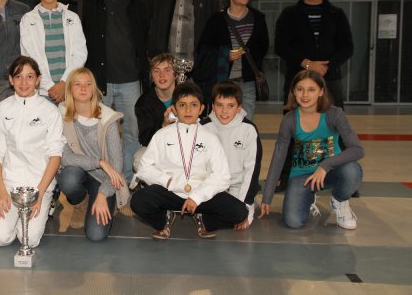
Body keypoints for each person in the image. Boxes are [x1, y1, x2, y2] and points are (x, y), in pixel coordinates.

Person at [131, 82, 248, 240]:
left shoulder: (210, 138)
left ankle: (205, 221)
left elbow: (222, 176)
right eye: (182, 105)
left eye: (193, 105)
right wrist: (167, 181)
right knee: (138, 201)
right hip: (170, 192)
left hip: (200, 194)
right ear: (174, 109)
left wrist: (198, 196)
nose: (188, 110)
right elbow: (144, 168)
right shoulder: (161, 135)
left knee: (240, 212)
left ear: (201, 109)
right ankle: (163, 221)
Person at [77, 0, 148, 187]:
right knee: (98, 135)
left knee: (132, 134)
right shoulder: (87, 1)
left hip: (131, 81)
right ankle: (103, 183)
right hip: (99, 82)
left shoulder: (136, 2)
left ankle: (125, 182)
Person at [259, 70, 364, 230]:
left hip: (331, 171)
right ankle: (308, 198)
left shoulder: (334, 114)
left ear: (321, 91)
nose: (305, 95)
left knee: (352, 170)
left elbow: (357, 150)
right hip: (302, 175)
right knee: (293, 221)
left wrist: (325, 165)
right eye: (300, 89)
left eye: (311, 89)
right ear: (293, 91)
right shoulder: (289, 120)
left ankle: (339, 201)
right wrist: (267, 197)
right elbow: (278, 157)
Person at [0, 56, 64, 248]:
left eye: (29, 77)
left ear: (38, 80)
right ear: (11, 80)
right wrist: (1, 191)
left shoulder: (50, 111)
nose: (24, 82)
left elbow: (55, 156)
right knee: (0, 239)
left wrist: (40, 194)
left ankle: (49, 200)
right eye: (18, 77)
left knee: (30, 239)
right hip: (10, 184)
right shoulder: (0, 110)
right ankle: (8, 206)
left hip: (39, 184)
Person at [57, 67, 128, 241]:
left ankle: (106, 201)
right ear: (69, 89)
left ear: (94, 89)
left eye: (88, 84)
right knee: (68, 177)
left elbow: (116, 167)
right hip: (78, 172)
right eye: (77, 84)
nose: (83, 88)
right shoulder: (61, 115)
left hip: (104, 179)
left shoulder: (108, 118)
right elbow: (65, 157)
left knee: (96, 235)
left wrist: (103, 194)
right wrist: (100, 162)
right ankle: (80, 205)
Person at [144, 0, 220, 100]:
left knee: (194, 110)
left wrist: (207, 61)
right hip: (164, 71)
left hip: (197, 72)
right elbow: (143, 27)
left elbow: (216, 33)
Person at [275, 0, 353, 108]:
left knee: (332, 119)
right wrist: (307, 64)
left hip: (330, 79)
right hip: (297, 77)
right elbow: (280, 46)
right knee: (295, 120)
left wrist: (326, 66)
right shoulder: (288, 14)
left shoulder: (337, 14)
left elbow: (347, 47)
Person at [198, 0, 269, 120]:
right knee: (221, 122)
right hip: (222, 80)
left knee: (245, 123)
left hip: (248, 81)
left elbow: (264, 47)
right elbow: (203, 49)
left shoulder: (258, 18)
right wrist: (224, 55)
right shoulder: (216, 20)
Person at [20, 0, 87, 103]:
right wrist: (50, 87)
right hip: (42, 91)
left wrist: (64, 83)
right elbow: (30, 57)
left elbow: (80, 54)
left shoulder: (72, 18)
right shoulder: (27, 19)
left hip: (68, 89)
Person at [201, 81, 262, 230]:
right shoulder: (203, 127)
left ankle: (247, 206)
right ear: (212, 106)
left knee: (238, 216)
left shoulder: (249, 129)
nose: (224, 111)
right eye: (219, 105)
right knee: (207, 222)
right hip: (213, 187)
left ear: (239, 107)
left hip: (238, 188)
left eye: (230, 106)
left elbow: (252, 170)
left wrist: (244, 205)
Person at [134, 53, 177, 175]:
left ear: (176, 74)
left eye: (167, 70)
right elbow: (145, 139)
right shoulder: (144, 102)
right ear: (151, 76)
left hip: (184, 145)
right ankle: (159, 184)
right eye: (156, 71)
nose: (161, 75)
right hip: (158, 147)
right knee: (139, 159)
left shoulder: (187, 95)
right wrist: (163, 125)